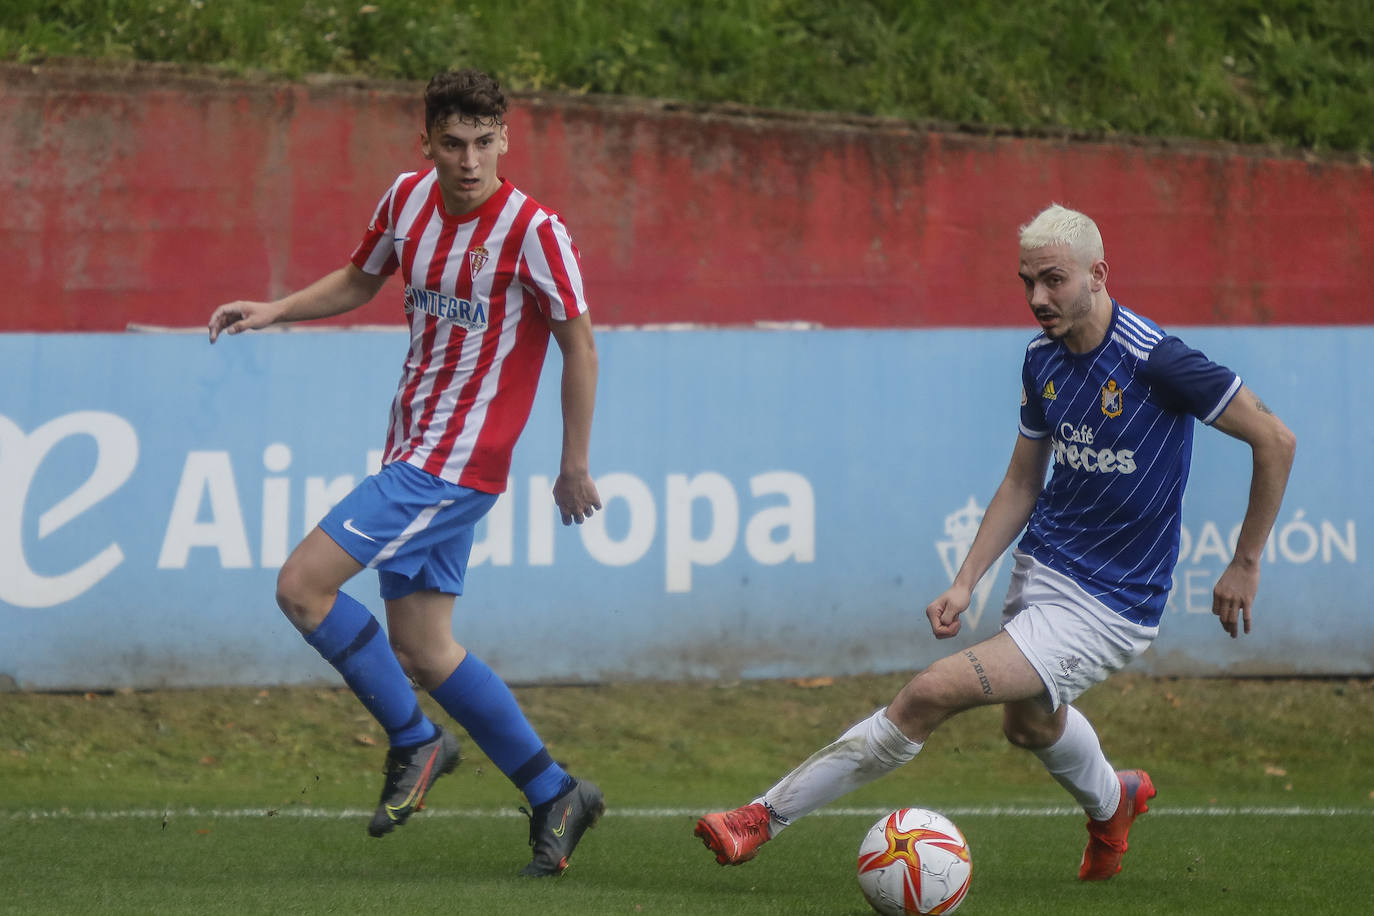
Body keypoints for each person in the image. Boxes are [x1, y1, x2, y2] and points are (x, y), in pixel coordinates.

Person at [694, 203, 1296, 881]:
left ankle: (760, 818)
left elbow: (1275, 439)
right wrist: (966, 580)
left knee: (929, 692)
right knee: (1029, 728)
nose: (1038, 298)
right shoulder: (1042, 358)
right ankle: (1115, 801)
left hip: (1110, 603)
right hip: (1043, 570)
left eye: (1054, 280)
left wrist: (1246, 561)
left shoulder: (1156, 359)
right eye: (1026, 282)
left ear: (1098, 274)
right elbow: (1020, 480)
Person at [207, 68, 605, 878]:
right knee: (424, 649)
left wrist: (573, 463)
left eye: (485, 142)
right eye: (453, 143)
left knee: (301, 586)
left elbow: (580, 347)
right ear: (426, 141)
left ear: (505, 139)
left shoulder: (534, 230)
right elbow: (361, 277)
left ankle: (417, 742)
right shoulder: (406, 199)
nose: (469, 160)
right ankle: (554, 790)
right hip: (412, 447)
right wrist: (275, 309)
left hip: (456, 466)